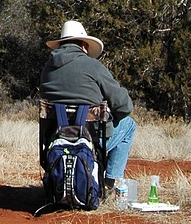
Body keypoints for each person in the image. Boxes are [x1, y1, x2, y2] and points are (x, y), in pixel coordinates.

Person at [38, 20, 136, 190]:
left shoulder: (47, 70)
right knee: (129, 125)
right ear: (83, 45)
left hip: (56, 136)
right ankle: (109, 183)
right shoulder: (93, 66)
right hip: (91, 138)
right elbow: (124, 106)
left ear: (61, 44)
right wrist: (113, 117)